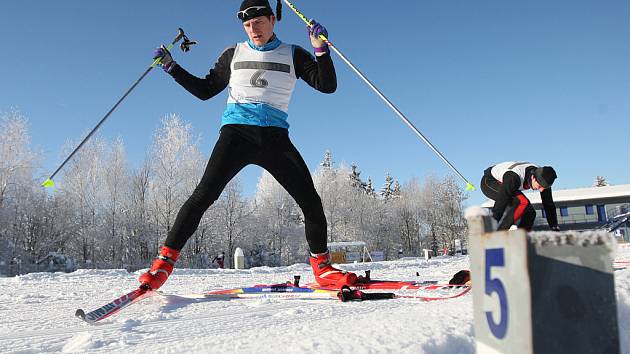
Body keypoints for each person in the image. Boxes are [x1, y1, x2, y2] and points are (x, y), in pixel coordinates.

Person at [139, 0, 358, 291]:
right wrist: (171, 67)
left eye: (259, 22)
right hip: (236, 134)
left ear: (273, 20)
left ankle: (323, 268)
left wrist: (320, 50)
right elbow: (206, 91)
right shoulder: (233, 54)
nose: (253, 29)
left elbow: (326, 85)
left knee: (311, 202)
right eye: (247, 25)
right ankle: (162, 265)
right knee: (203, 195)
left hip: (275, 137)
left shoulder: (293, 54)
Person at [480, 161, 560, 231]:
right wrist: (493, 224)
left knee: (530, 212)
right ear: (533, 178)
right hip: (490, 182)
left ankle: (521, 238)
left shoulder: (543, 177)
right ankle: (499, 233)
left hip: (507, 184)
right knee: (521, 202)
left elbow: (548, 204)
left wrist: (554, 227)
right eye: (539, 186)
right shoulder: (514, 177)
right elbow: (501, 202)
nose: (541, 190)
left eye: (544, 188)